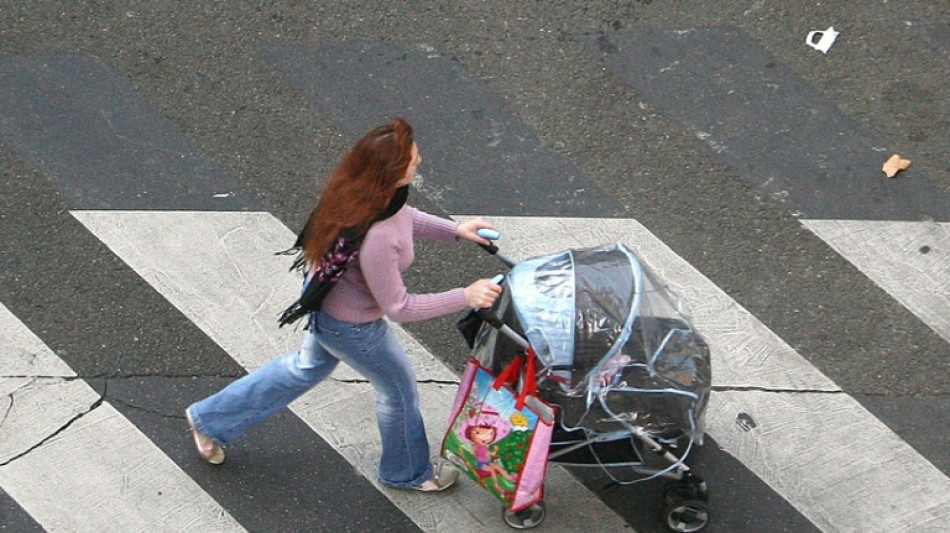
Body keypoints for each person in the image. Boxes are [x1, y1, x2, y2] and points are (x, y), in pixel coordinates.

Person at [185, 117, 502, 492]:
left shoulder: (365, 194)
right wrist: (465, 296)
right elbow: (400, 307)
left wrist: (454, 230)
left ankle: (210, 420)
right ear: (392, 172)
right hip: (353, 326)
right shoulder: (378, 237)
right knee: (398, 392)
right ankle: (408, 473)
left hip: (327, 303)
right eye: (413, 158)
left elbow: (406, 217)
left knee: (305, 368)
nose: (420, 159)